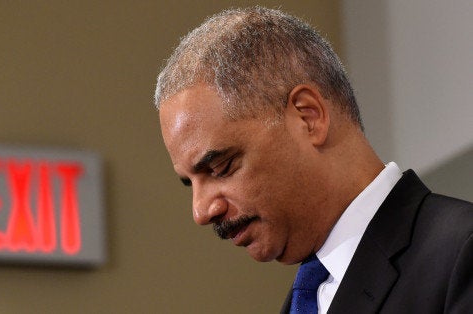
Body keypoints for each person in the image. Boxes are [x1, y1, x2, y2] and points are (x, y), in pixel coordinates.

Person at [154, 7, 473, 314]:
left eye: (220, 167)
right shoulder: (307, 299)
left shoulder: (461, 253)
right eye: (189, 183)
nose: (200, 211)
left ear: (309, 116)